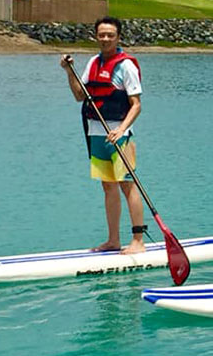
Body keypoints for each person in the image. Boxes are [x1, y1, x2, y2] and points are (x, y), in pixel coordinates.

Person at [60, 17, 147, 254]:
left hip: (120, 136)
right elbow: (80, 96)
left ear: (118, 37)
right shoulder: (93, 63)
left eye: (110, 35)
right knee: (108, 187)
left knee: (127, 186)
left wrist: (121, 129)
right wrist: (69, 71)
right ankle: (113, 240)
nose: (105, 39)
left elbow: (136, 104)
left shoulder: (126, 65)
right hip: (96, 134)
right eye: (101, 35)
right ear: (96, 37)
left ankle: (138, 241)